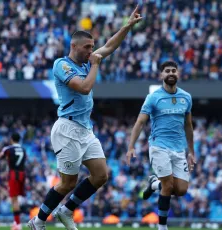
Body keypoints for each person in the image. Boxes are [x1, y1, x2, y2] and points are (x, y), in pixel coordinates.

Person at [27, 6, 142, 230]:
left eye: (92, 47)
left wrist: (127, 26)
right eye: (87, 47)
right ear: (74, 46)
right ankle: (38, 222)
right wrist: (96, 64)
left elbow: (109, 46)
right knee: (68, 182)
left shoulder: (88, 61)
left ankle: (66, 210)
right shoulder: (62, 65)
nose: (91, 51)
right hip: (67, 130)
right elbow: (84, 87)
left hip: (85, 130)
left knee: (101, 175)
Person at [126, 61, 196, 230]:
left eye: (174, 70)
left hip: (179, 149)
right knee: (168, 185)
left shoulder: (186, 97)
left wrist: (191, 151)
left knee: (181, 190)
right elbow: (140, 122)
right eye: (167, 71)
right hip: (159, 147)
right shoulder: (153, 97)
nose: (171, 73)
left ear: (178, 74)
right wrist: (131, 146)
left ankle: (153, 184)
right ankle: (162, 227)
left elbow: (188, 125)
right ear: (161, 75)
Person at [0, 133, 27, 230]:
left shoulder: (8, 149)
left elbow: (1, 157)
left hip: (13, 174)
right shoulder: (23, 149)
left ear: (11, 139)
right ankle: (16, 222)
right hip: (22, 174)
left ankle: (17, 224)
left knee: (14, 199)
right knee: (17, 198)